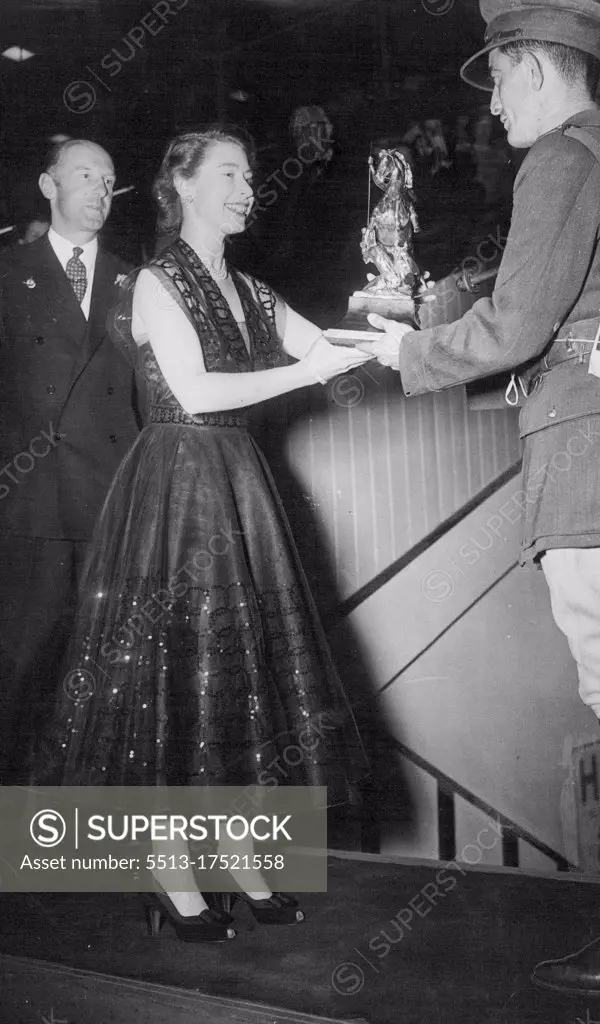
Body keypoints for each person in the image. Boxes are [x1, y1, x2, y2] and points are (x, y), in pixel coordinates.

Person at [360, 0, 600, 997]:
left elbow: (521, 325)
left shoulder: (560, 162)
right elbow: (582, 322)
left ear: (527, 67)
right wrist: (448, 315)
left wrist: (403, 350)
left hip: (595, 460)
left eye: (492, 81)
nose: (489, 108)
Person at [33, 127, 371, 941]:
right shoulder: (156, 280)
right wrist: (314, 369)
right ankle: (170, 873)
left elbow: (325, 348)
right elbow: (196, 390)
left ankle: (242, 855)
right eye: (228, 173)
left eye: (249, 175)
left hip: (237, 487)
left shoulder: (249, 288)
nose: (247, 187)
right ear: (180, 185)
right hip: (178, 489)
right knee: (175, 683)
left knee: (237, 677)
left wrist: (384, 321)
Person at [0, 140, 143, 785]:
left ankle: (79, 820)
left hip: (112, 498)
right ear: (47, 184)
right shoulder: (9, 270)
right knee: (25, 661)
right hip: (31, 499)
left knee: (106, 665)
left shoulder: (134, 278)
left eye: (109, 179)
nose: (100, 189)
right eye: (85, 175)